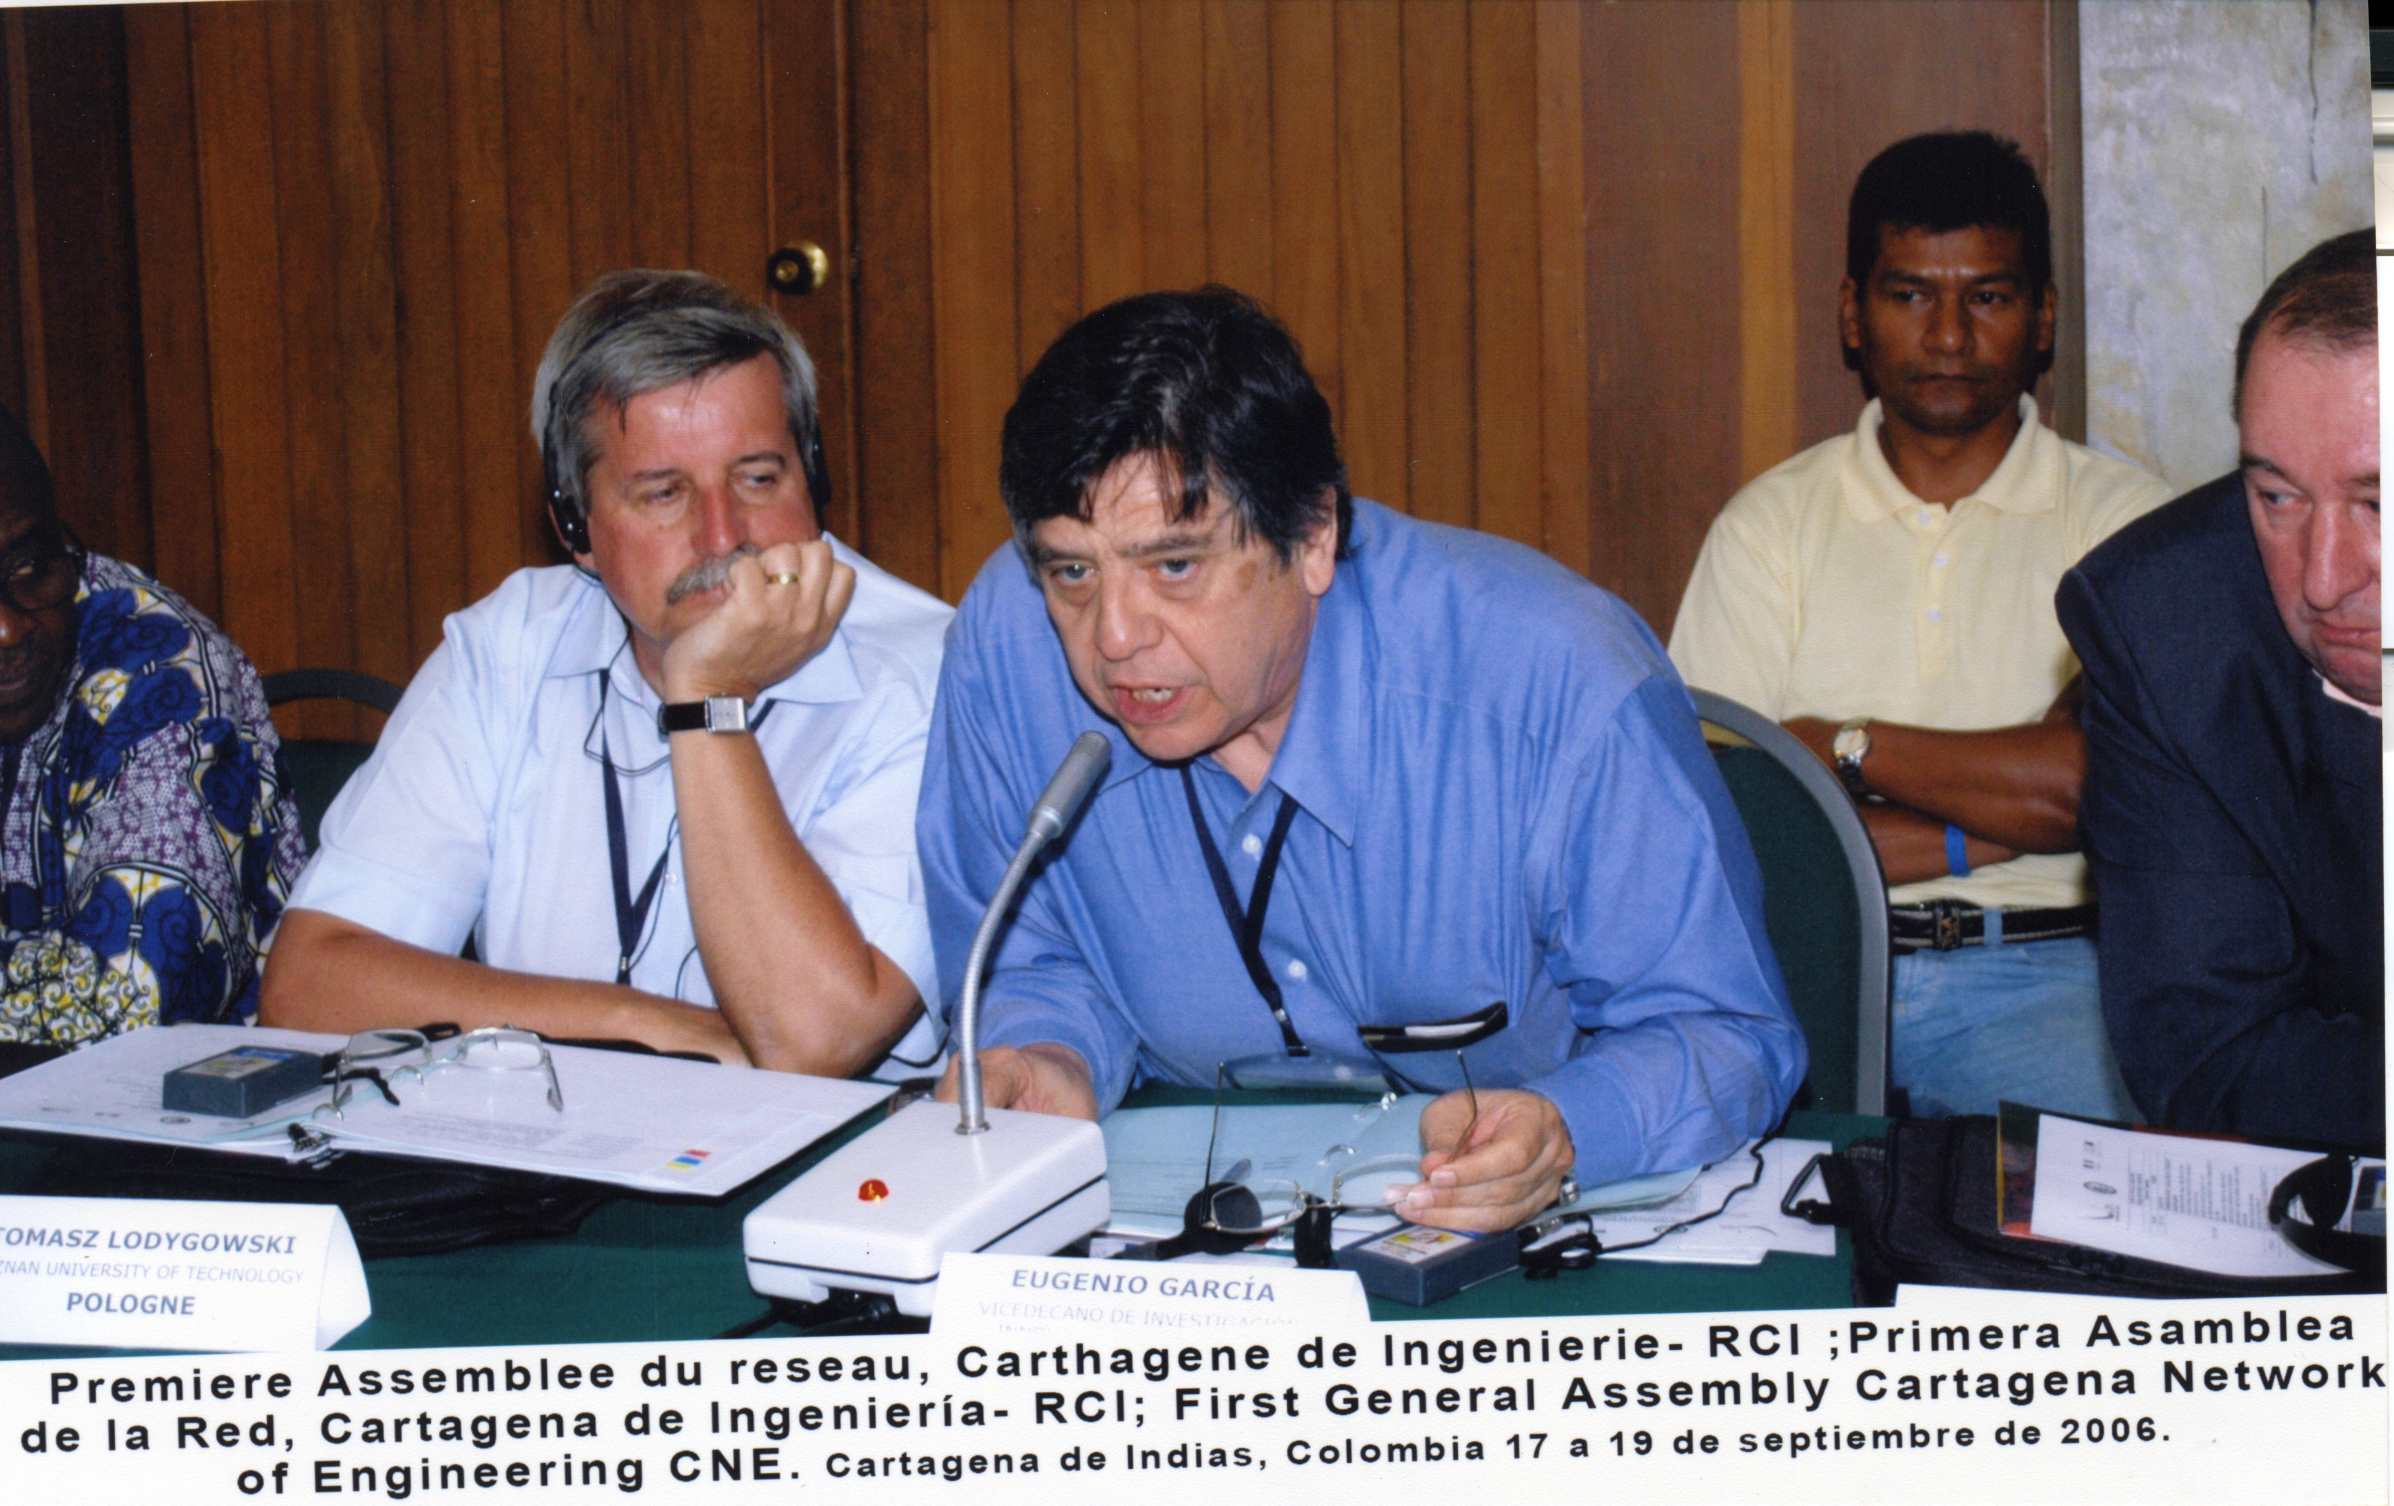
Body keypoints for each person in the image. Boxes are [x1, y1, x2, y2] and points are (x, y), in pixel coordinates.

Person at [918, 288, 1804, 1233]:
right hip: (1177, 1237)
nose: (1115, 637)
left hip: (1525, 1237)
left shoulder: (1554, 683)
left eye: (1175, 566)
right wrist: (1050, 1055)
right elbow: (1037, 965)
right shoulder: (1006, 657)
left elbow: (1728, 1032)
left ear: (1313, 537)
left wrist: (1567, 1128)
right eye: (1072, 571)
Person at [261, 271, 948, 1077]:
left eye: (759, 478)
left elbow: (810, 1041)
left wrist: (708, 700)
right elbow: (309, 985)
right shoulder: (510, 647)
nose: (723, 536)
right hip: (545, 1145)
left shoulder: (929, 675)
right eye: (664, 493)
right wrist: (641, 1026)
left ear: (815, 478)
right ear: (573, 526)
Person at [1670, 131, 2172, 1121]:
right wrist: (1991, 831)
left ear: (2043, 317)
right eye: (1909, 295)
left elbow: (2108, 785)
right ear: (1853, 314)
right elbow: (1739, 826)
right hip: (1809, 972)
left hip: (2053, 980)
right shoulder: (1770, 527)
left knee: (2110, 1195)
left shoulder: (2125, 524)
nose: (1948, 337)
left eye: (1987, 297)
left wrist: (1838, 744)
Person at [2056, 229, 2381, 1146]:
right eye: (2277, 497)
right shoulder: (2172, 629)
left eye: (2379, 504)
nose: (2323, 578)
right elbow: (2211, 1059)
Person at [0, 405, 305, 1046]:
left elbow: (127, 997)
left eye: (30, 567)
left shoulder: (163, 680)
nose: (8, 629)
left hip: (184, 1096)